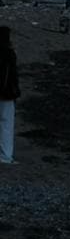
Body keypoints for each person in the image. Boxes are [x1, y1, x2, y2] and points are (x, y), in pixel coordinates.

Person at [0, 26, 18, 163]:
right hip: (6, 93)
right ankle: (5, 155)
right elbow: (10, 75)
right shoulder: (9, 53)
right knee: (6, 124)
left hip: (5, 92)